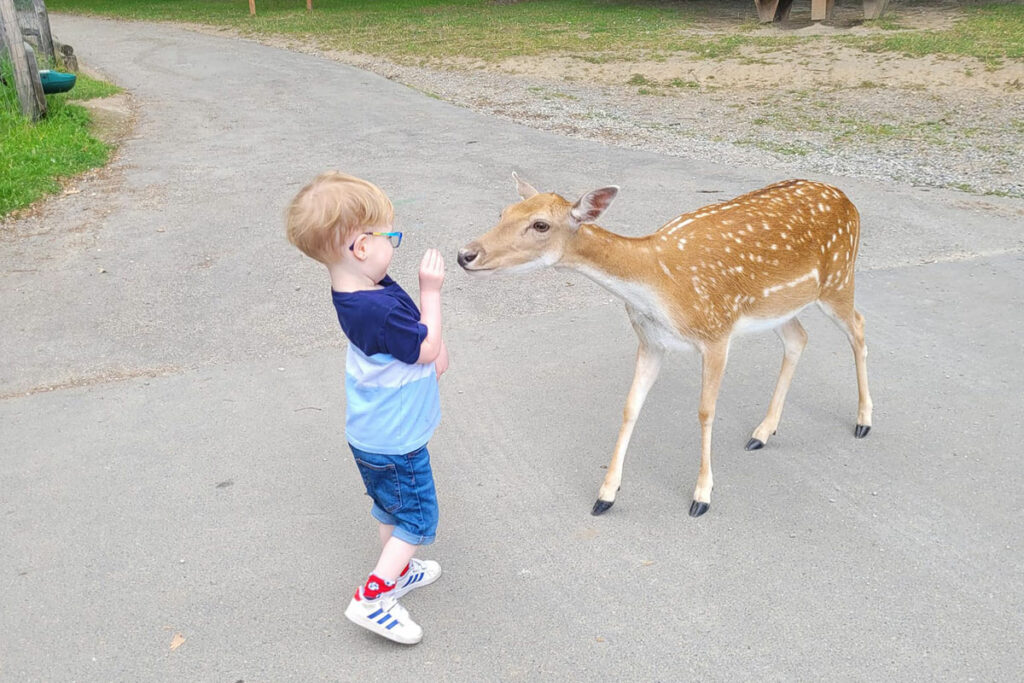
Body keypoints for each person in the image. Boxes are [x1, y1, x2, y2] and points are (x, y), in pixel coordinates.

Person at [286, 171, 448, 645]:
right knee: (417, 518)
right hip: (397, 443)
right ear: (360, 247)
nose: (394, 244)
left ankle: (397, 574)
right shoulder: (378, 308)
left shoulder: (360, 291)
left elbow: (417, 344)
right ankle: (373, 598)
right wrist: (432, 293)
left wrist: (432, 345)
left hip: (371, 436)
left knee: (389, 507)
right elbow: (422, 346)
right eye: (390, 236)